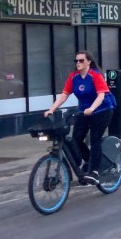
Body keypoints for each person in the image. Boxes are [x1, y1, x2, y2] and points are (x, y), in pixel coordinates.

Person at [45, 51, 116, 185]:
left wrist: (92, 109)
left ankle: (94, 172)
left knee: (95, 140)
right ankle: (90, 161)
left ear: (88, 62)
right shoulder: (74, 77)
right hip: (83, 112)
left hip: (102, 110)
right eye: (76, 61)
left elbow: (101, 95)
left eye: (81, 60)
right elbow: (64, 95)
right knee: (76, 140)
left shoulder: (95, 75)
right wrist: (51, 109)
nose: (78, 63)